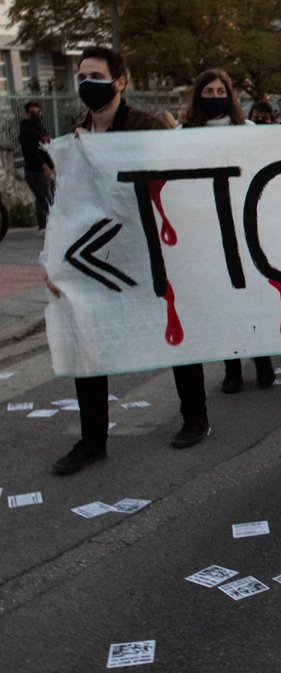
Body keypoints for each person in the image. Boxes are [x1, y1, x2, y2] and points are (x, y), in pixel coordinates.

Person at [48, 46, 210, 475]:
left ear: (120, 81)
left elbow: (173, 182)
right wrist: (55, 261)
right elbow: (67, 204)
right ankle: (92, 440)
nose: (86, 83)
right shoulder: (76, 134)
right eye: (81, 76)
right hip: (99, 254)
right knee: (87, 338)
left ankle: (195, 417)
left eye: (95, 75)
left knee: (174, 331)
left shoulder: (146, 127)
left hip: (151, 247)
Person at [181, 68, 277, 393]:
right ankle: (232, 367)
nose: (214, 98)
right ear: (198, 95)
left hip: (243, 223)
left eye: (220, 92)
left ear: (229, 94)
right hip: (206, 227)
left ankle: (263, 361)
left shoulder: (246, 129)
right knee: (220, 301)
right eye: (208, 92)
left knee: (251, 298)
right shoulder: (183, 132)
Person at [18, 101, 54, 235]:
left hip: (44, 169)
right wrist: (45, 167)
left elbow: (46, 148)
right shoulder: (26, 131)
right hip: (35, 171)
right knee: (42, 197)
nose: (36, 115)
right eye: (33, 112)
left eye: (38, 112)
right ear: (27, 114)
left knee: (47, 197)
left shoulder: (40, 128)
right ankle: (43, 226)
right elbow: (32, 153)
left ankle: (49, 225)